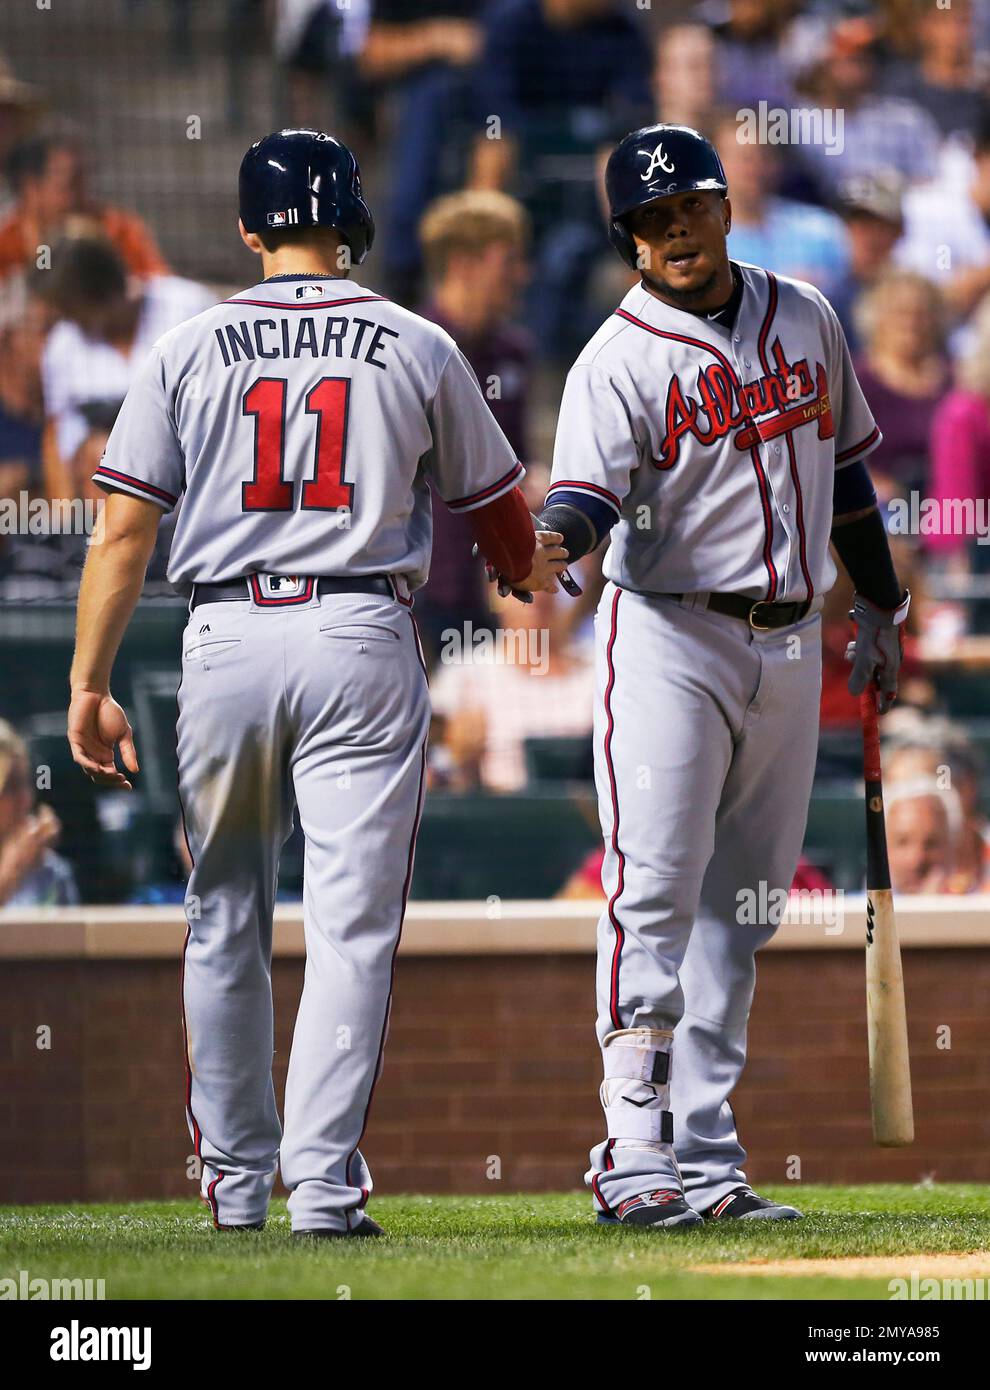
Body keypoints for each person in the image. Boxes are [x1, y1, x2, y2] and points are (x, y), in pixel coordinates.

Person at [66, 129, 566, 1239]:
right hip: (358, 637)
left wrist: (88, 681)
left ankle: (236, 1187)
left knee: (223, 914)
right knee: (347, 925)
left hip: (229, 643)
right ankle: (326, 1193)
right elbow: (502, 525)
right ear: (352, 226)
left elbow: (122, 530)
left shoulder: (188, 344)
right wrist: (545, 557)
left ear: (252, 229)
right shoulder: (416, 341)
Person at [523, 122, 908, 1229]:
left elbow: (846, 478)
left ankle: (706, 1155)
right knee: (652, 893)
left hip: (791, 643)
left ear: (724, 207)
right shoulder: (617, 353)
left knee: (742, 910)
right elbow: (588, 501)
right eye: (650, 221)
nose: (674, 231)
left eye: (687, 206)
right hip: (669, 638)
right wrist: (553, 536)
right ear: (631, 241)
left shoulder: (808, 314)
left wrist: (878, 602)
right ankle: (631, 1149)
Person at [415, 189, 533, 662]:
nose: (521, 275)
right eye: (507, 261)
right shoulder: (409, 352)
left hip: (498, 587)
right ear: (463, 264)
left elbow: (518, 462)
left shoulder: (516, 352)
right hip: (425, 588)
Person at [35, 235, 214, 501]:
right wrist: (64, 521)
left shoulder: (189, 307)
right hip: (106, 493)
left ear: (98, 293)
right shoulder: (63, 344)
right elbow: (59, 432)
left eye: (70, 308)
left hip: (191, 469)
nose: (67, 318)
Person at [0, 133, 167, 285]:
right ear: (32, 189)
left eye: (83, 183)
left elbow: (159, 284)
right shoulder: (8, 240)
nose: (78, 198)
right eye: (67, 186)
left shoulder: (117, 229)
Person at [852, 270, 948, 498]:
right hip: (884, 507)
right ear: (877, 319)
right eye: (901, 314)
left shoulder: (955, 379)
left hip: (949, 504)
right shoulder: (857, 381)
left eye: (922, 315)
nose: (911, 324)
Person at [0, 719, 78, 909]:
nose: (25, 800)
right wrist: (11, 872)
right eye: (10, 786)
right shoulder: (18, 866)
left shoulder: (50, 872)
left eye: (25, 783)